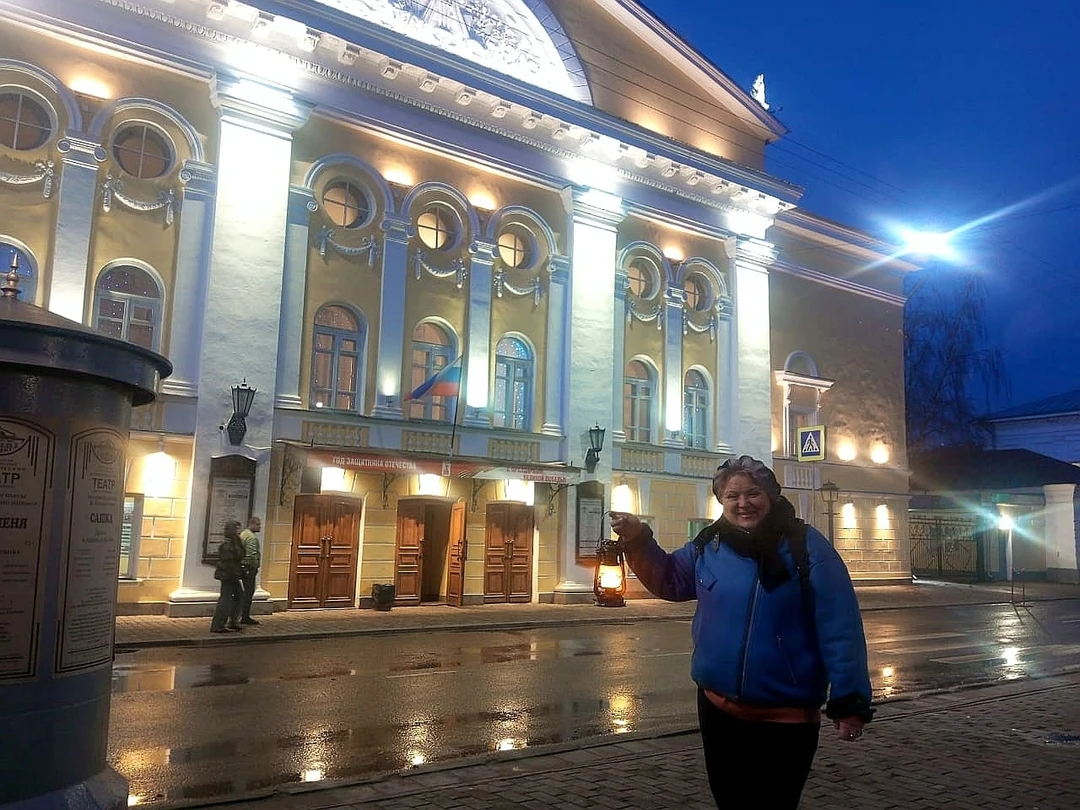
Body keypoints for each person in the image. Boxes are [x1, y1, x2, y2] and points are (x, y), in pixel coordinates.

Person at [609, 455, 873, 809]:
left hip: (786, 716)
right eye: (732, 496)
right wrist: (638, 539)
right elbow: (670, 579)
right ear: (722, 501)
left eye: (753, 493)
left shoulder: (806, 547)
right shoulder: (710, 545)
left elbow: (840, 627)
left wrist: (850, 701)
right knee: (731, 802)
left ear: (771, 496)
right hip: (719, 708)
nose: (743, 503)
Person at [210, 520, 245, 634]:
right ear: (232, 530)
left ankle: (233, 622)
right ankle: (218, 625)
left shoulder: (235, 542)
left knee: (239, 596)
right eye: (237, 529)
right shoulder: (228, 544)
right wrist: (236, 573)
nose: (239, 531)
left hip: (232, 574)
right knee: (225, 599)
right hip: (228, 575)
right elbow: (231, 561)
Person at [239, 516, 262, 625]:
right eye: (258, 524)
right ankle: (245, 616)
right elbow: (252, 555)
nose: (260, 526)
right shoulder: (251, 537)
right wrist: (254, 566)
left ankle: (242, 615)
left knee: (245, 592)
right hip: (249, 568)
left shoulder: (244, 534)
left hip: (243, 567)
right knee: (248, 592)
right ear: (251, 524)